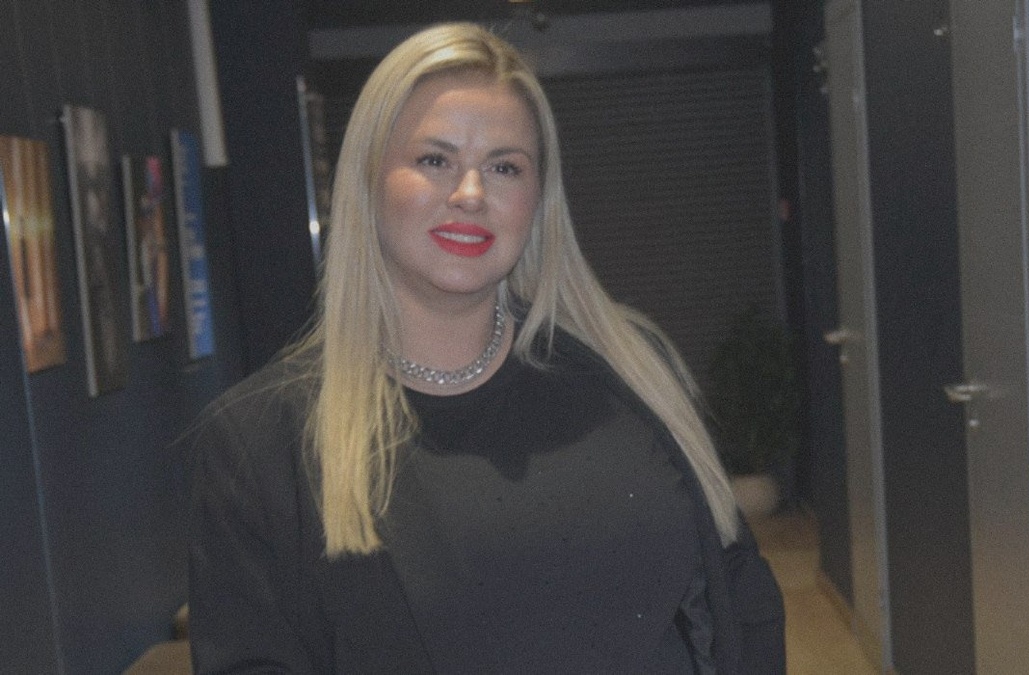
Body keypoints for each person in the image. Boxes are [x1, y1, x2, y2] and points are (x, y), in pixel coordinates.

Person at [187, 22, 784, 674]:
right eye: (434, 159)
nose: (470, 194)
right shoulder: (262, 443)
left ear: (538, 199)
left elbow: (739, 595)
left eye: (504, 167)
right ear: (366, 181)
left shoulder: (633, 369)